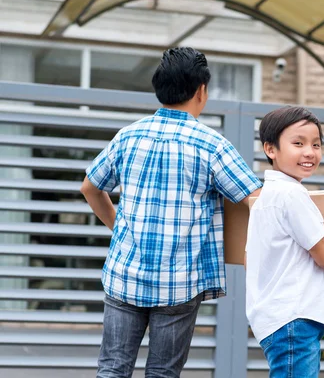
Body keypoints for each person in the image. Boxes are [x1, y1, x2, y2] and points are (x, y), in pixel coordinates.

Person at [80, 47, 262, 378]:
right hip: (179, 285)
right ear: (201, 91)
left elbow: (90, 188)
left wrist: (119, 226)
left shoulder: (128, 136)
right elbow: (258, 200)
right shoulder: (211, 144)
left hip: (125, 276)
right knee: (164, 373)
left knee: (111, 370)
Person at [245, 106, 324, 378]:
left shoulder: (265, 198)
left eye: (316, 144)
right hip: (293, 317)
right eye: (298, 143)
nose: (309, 152)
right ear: (271, 149)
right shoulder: (292, 195)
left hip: (277, 317)